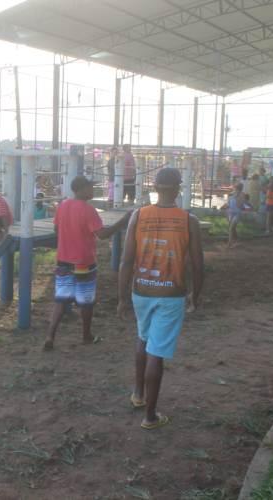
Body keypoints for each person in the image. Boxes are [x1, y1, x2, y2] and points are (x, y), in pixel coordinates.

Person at [117, 167, 204, 430]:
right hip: (171, 295)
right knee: (157, 353)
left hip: (140, 291)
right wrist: (195, 295)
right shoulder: (189, 220)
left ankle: (138, 394)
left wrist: (122, 297)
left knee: (143, 339)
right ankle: (150, 417)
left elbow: (126, 260)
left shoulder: (138, 215)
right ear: (179, 188)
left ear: (154, 187)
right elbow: (198, 265)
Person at [43, 176, 132, 351]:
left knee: (61, 299)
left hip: (63, 260)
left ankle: (50, 335)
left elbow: (56, 229)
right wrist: (123, 221)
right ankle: (86, 335)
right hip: (84, 261)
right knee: (86, 300)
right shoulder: (89, 210)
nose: (93, 191)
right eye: (91, 188)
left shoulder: (62, 206)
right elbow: (102, 235)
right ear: (82, 189)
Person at [221, 183, 244, 248]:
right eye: (234, 189)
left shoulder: (242, 195)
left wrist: (237, 197)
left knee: (231, 228)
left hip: (237, 213)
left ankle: (229, 243)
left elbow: (240, 205)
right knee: (232, 228)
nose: (234, 190)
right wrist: (223, 207)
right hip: (230, 213)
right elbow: (228, 204)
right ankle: (236, 239)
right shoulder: (231, 194)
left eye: (235, 189)